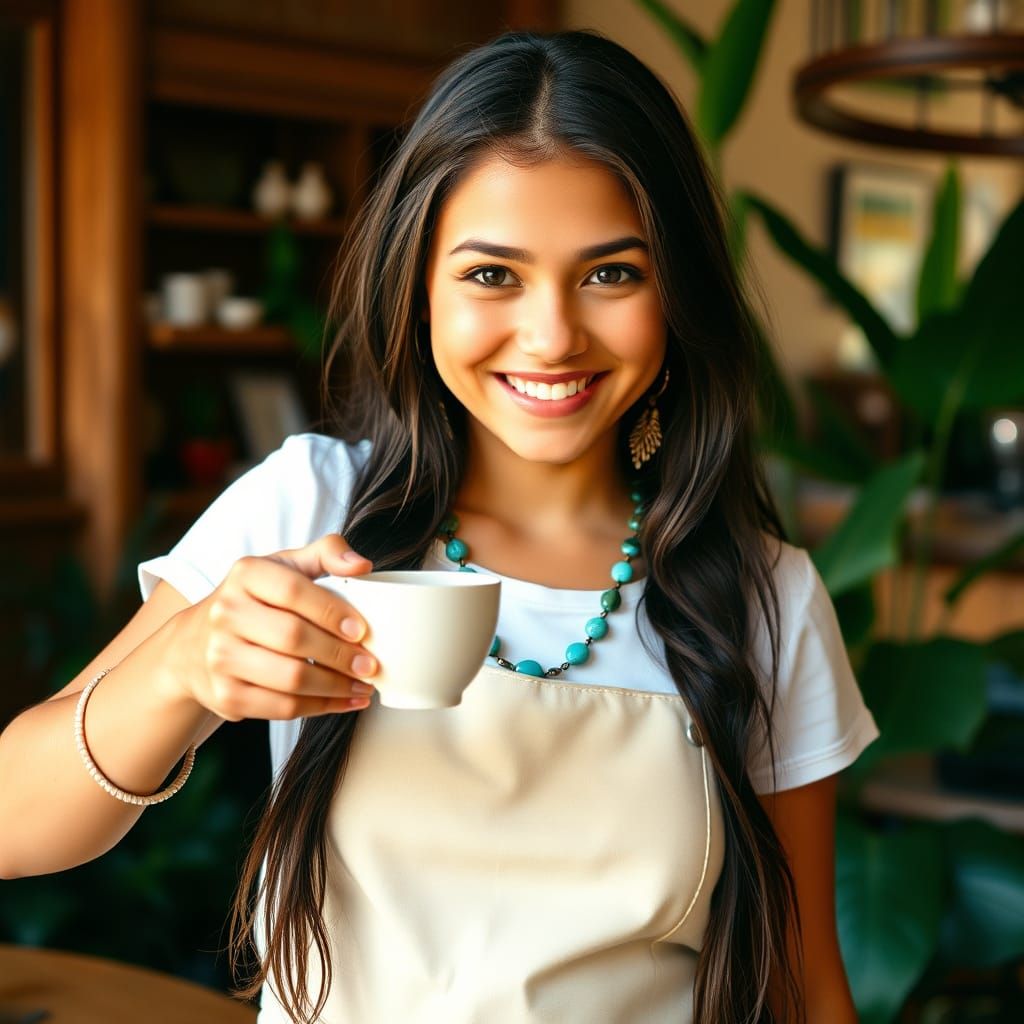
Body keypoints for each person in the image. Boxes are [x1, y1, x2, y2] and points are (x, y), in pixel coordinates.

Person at [0, 28, 879, 1024]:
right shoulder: (309, 508)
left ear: (676, 293)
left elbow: (801, 987)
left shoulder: (768, 598)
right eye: (491, 275)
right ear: (418, 287)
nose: (551, 333)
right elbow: (12, 824)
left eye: (610, 274)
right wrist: (181, 669)